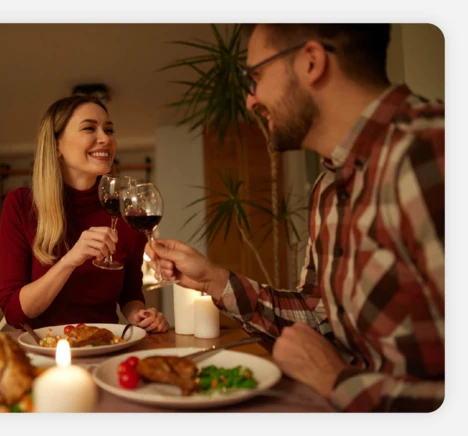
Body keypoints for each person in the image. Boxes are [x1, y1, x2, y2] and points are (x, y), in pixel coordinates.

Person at [146, 24, 444, 412]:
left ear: (311, 62)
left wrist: (336, 380)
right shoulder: (328, 185)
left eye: (255, 77)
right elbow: (317, 315)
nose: (250, 101)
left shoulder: (431, 153)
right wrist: (213, 280)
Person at [0, 95, 169, 333]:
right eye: (90, 128)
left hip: (106, 345)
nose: (105, 139)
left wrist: (139, 315)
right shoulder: (20, 205)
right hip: (43, 351)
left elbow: (130, 294)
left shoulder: (127, 213)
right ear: (56, 145)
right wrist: (71, 259)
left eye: (109, 130)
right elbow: (14, 314)